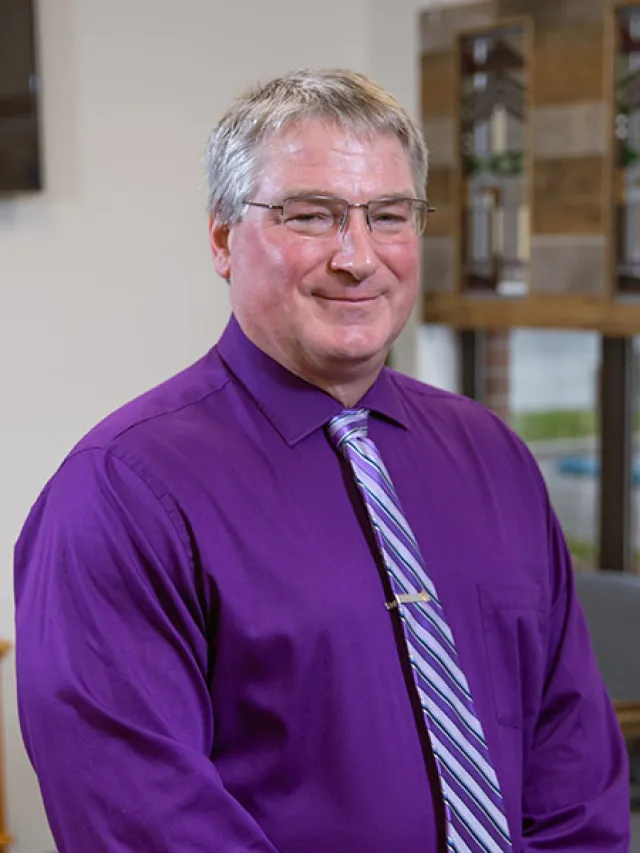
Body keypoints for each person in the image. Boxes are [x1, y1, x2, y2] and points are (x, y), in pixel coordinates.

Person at [15, 68, 629, 852]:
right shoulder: (120, 493)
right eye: (312, 215)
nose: (358, 257)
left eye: (389, 215)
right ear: (222, 239)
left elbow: (573, 763)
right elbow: (145, 819)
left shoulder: (492, 457)